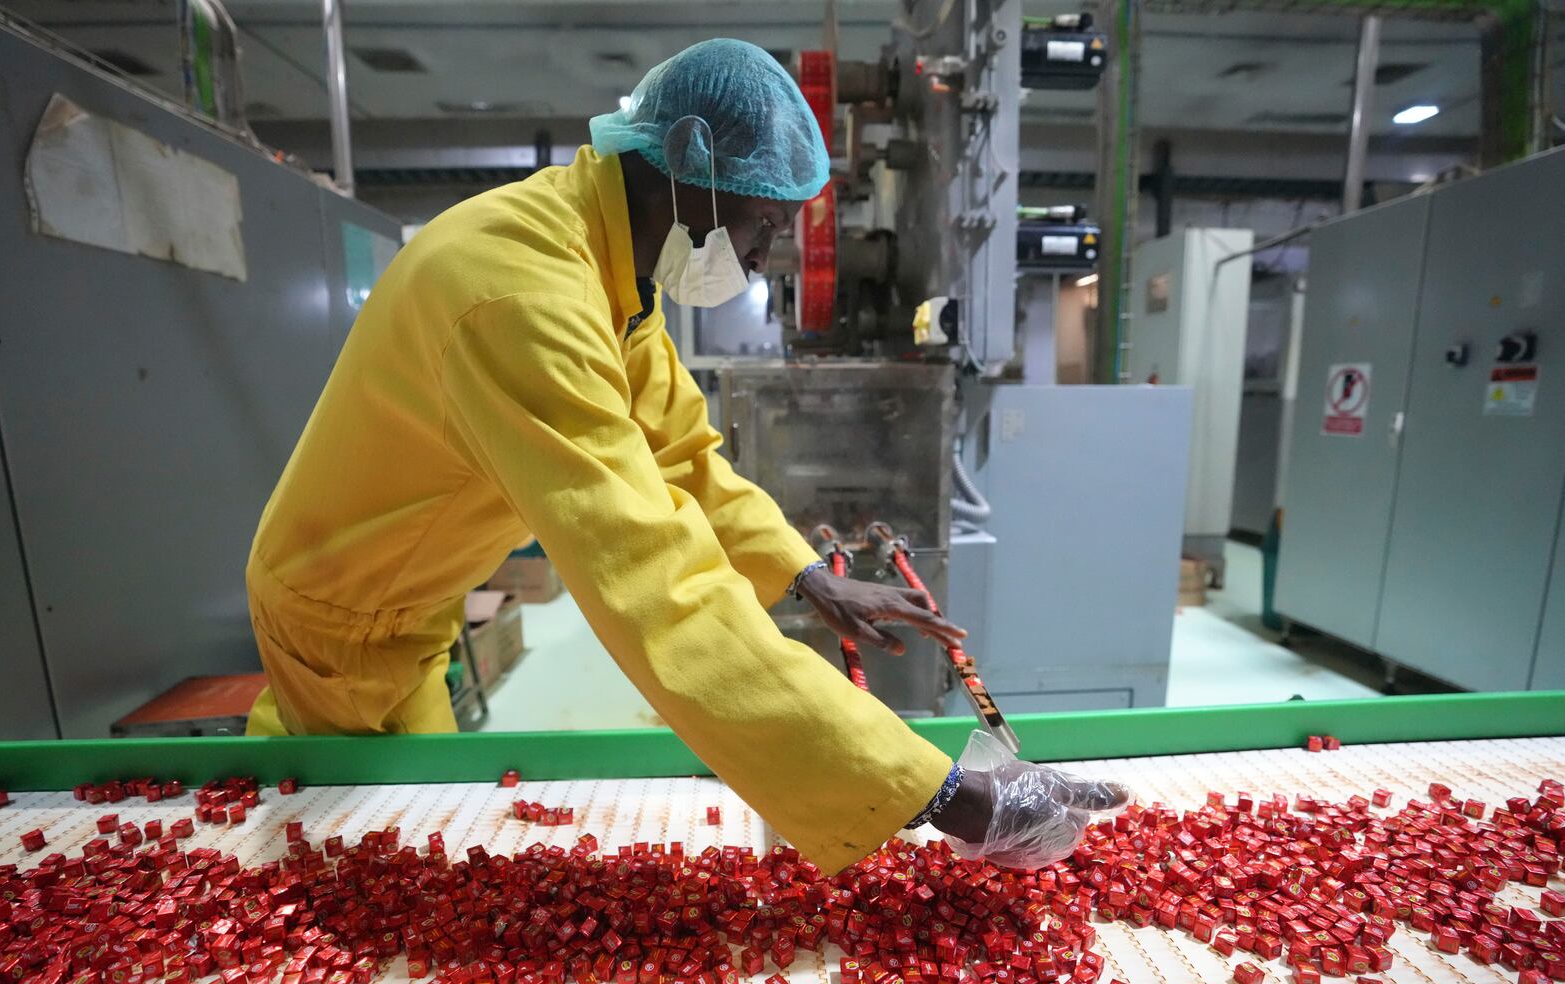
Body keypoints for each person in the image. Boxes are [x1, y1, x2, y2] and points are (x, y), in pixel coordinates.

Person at [245, 39, 1126, 874]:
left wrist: (805, 574)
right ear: (687, 169)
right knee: (363, 857)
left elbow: (683, 456)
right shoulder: (521, 296)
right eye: (760, 225)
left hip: (411, 612)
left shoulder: (607, 269)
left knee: (413, 829)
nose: (762, 257)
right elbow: (655, 585)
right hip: (344, 622)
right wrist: (942, 794)